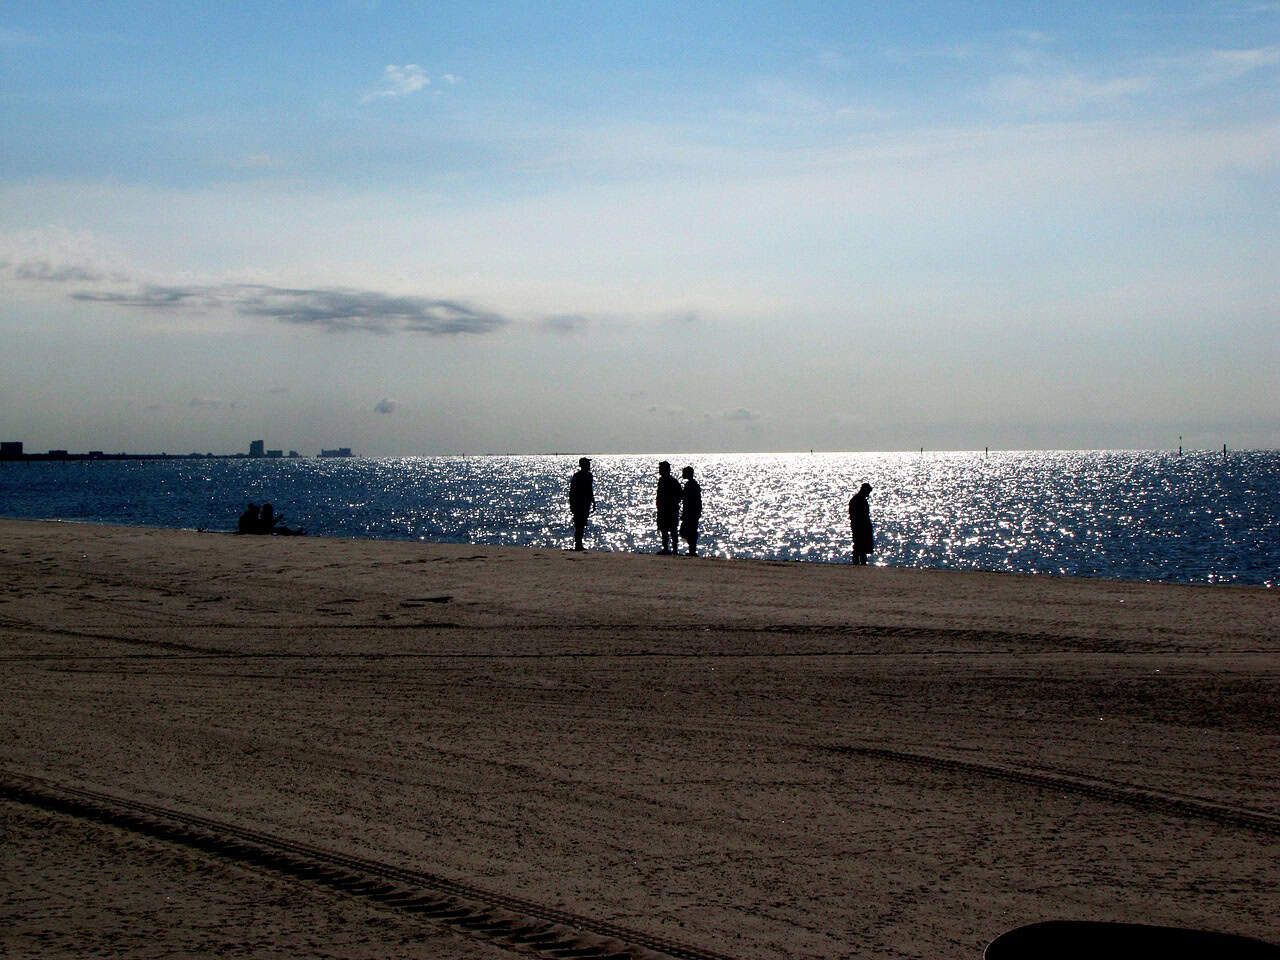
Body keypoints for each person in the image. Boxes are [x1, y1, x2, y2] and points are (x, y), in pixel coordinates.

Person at [568, 457, 595, 551]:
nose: (589, 465)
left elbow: (590, 490)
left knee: (582, 524)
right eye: (587, 464)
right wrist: (572, 505)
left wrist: (593, 502)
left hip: (586, 503)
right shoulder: (577, 476)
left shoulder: (589, 475)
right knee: (579, 524)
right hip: (578, 503)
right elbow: (572, 492)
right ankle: (578, 544)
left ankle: (579, 544)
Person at [655, 461, 681, 554]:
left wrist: (672, 504)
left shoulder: (672, 481)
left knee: (672, 529)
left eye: (661, 469)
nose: (660, 470)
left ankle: (674, 550)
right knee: (664, 529)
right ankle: (666, 548)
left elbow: (679, 495)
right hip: (663, 509)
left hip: (670, 509)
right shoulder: (661, 480)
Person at [679, 465, 702, 556]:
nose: (683, 474)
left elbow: (691, 499)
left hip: (691, 512)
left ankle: (692, 550)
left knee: (688, 531)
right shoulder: (691, 484)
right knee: (689, 531)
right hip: (692, 512)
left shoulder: (691, 485)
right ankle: (692, 550)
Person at [849, 482, 874, 565]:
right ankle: (857, 562)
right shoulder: (857, 500)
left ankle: (862, 562)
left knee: (862, 545)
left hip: (862, 525)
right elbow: (855, 515)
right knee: (859, 544)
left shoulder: (859, 499)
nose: (868, 494)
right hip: (859, 525)